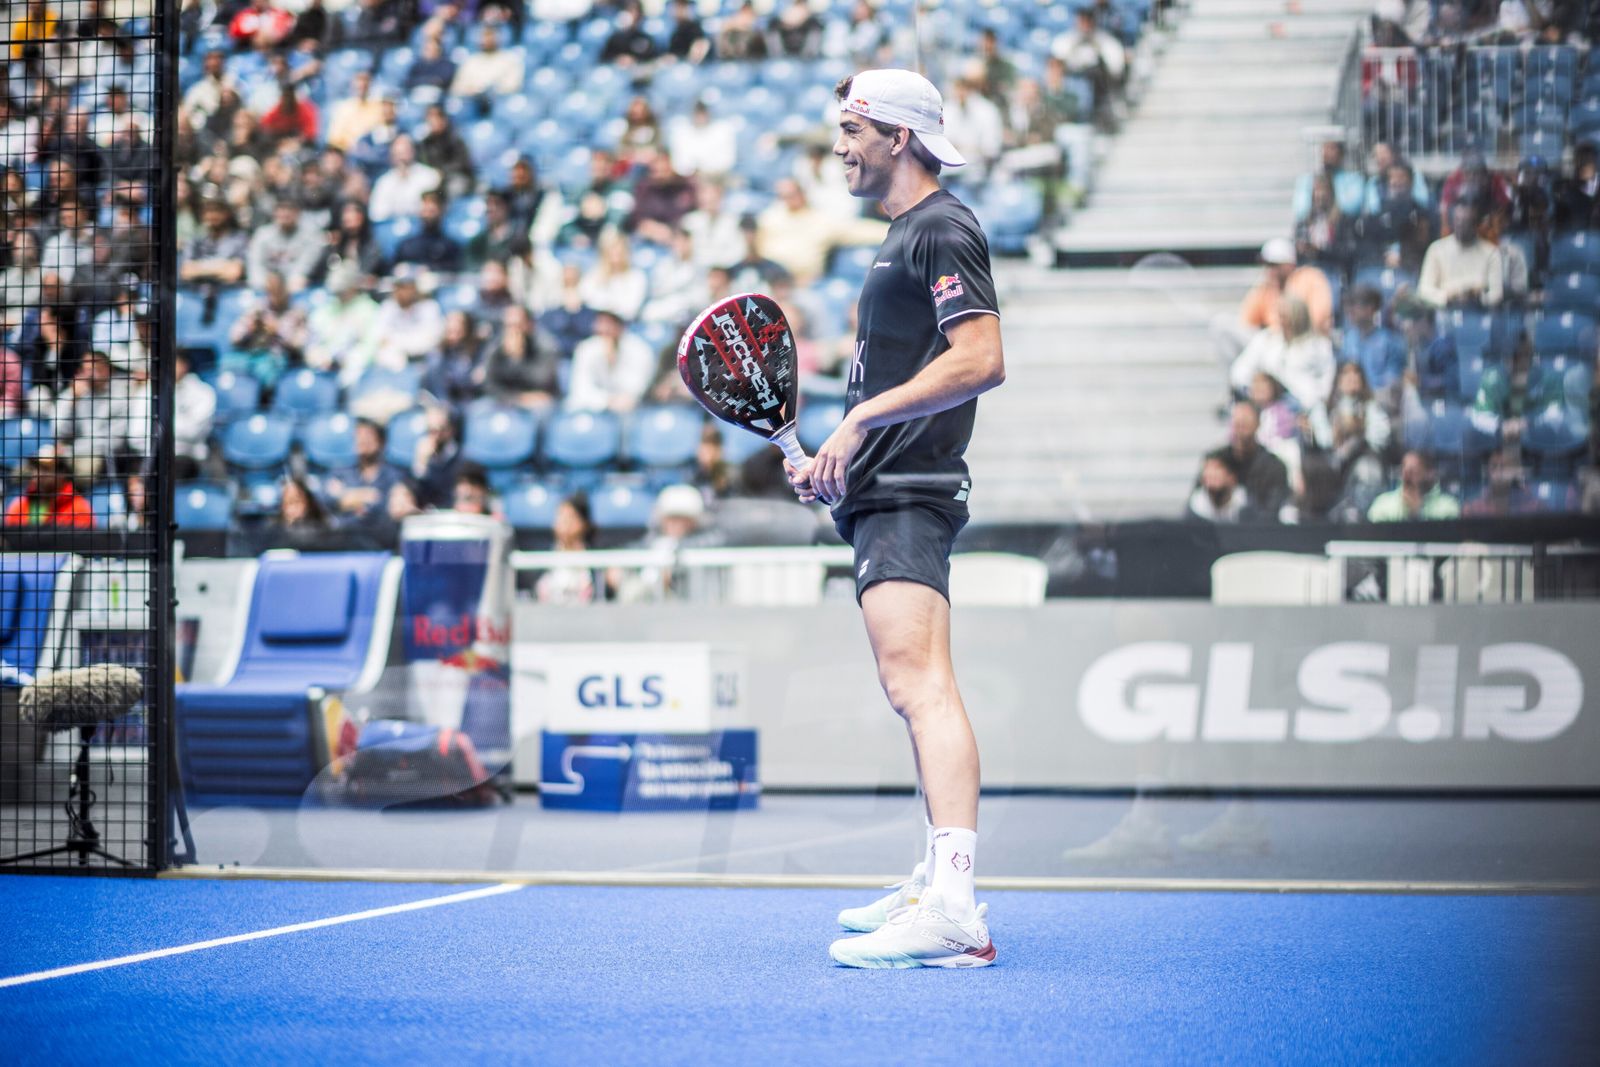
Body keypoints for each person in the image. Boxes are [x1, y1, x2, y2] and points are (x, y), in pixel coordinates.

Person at [790, 69, 1003, 969]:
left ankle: (955, 904)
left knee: (922, 685)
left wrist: (860, 424)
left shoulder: (941, 228)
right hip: (884, 486)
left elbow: (984, 358)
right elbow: (888, 385)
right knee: (911, 685)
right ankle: (935, 877)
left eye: (852, 128)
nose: (840, 145)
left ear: (899, 138)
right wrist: (835, 460)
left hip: (913, 489)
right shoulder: (902, 237)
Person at [1205, 402, 1290, 518]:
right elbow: (1195, 507)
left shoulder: (1274, 466)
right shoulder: (1216, 460)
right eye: (1237, 421)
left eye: (1245, 421)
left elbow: (1273, 511)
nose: (1240, 425)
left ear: (1257, 424)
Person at [1417, 200, 1504, 308]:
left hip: (1479, 313)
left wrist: (1478, 299)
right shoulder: (1436, 249)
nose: (1462, 226)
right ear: (1452, 222)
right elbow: (1424, 290)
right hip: (1445, 313)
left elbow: (1497, 294)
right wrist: (1448, 297)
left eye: (1467, 222)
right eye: (1458, 221)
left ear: (1476, 224)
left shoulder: (1491, 252)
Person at [564, 309, 654, 413]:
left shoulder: (640, 350)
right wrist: (607, 401)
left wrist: (612, 360)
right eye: (600, 322)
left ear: (621, 326)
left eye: (609, 323)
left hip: (628, 412)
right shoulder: (586, 349)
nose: (604, 328)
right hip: (593, 410)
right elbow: (580, 390)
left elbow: (637, 389)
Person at [322, 418, 404, 530]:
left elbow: (389, 506)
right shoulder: (341, 472)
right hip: (344, 534)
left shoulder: (394, 474)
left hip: (380, 537)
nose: (362, 440)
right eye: (358, 435)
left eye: (368, 435)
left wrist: (347, 496)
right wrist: (367, 495)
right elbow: (327, 500)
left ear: (381, 441)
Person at [2, 448, 93, 528]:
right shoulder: (20, 506)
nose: (37, 474)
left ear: (63, 474)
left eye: (45, 469)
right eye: (35, 468)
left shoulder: (79, 508)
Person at [535, 493, 600, 604]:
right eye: (560, 516)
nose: (564, 523)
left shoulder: (596, 560)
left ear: (584, 523)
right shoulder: (542, 557)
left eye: (570, 517)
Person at [1368, 450, 1460, 521]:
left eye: (1413, 471)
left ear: (1429, 474)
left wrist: (1417, 513)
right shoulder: (1383, 504)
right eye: (1404, 470)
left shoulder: (1448, 506)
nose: (1407, 477)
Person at [1186, 454, 1251, 522]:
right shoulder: (1196, 506)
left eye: (1217, 468)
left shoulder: (1247, 505)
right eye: (1207, 468)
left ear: (1232, 478)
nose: (1211, 472)